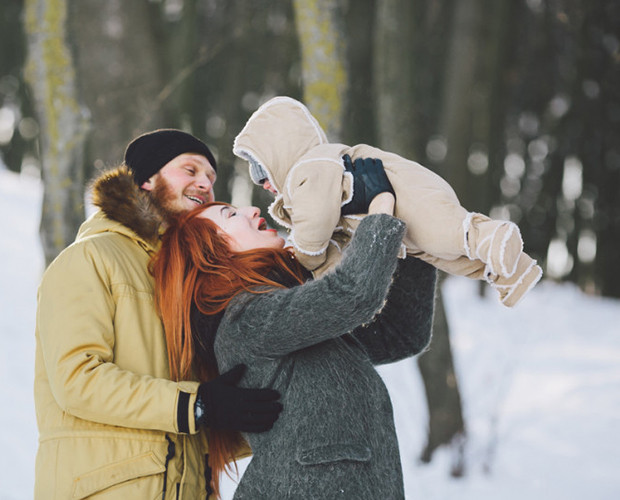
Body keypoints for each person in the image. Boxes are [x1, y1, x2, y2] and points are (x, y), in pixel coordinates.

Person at [33, 129, 282, 500]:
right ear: (146, 179)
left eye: (211, 179)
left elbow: (202, 415)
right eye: (191, 170)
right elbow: (77, 379)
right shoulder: (90, 259)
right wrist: (197, 404)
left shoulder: (185, 283)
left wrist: (246, 414)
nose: (204, 185)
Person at [151, 188, 438, 498]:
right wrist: (380, 218)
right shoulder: (244, 321)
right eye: (231, 215)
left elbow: (400, 334)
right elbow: (352, 294)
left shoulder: (282, 316)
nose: (252, 210)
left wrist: (416, 251)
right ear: (214, 252)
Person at [233, 95, 542, 307]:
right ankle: (512, 273)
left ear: (279, 156)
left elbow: (314, 224)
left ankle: (493, 236)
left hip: (409, 197)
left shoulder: (309, 167)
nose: (265, 185)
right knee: (444, 255)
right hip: (401, 225)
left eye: (264, 174)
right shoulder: (308, 174)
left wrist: (303, 255)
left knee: (447, 235)